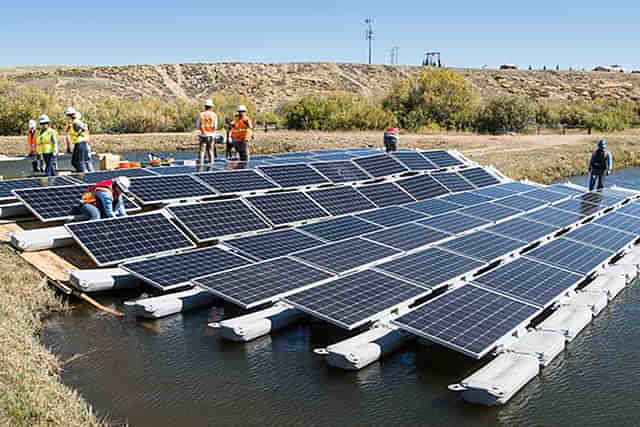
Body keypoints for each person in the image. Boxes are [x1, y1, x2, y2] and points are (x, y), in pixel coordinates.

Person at [196, 99, 218, 166]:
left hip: (203, 135)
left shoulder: (201, 115)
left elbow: (197, 125)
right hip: (211, 135)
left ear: (205, 106)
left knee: (202, 151)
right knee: (210, 151)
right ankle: (211, 165)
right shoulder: (214, 115)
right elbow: (216, 126)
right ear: (211, 107)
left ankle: (201, 165)